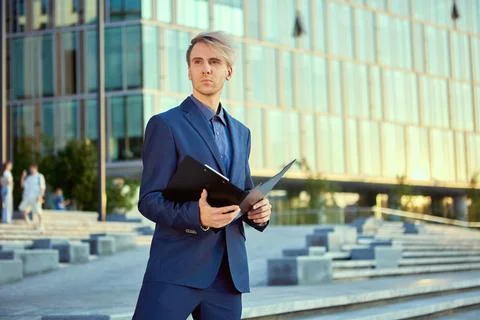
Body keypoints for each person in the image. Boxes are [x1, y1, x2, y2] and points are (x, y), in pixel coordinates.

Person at [133, 31, 272, 319]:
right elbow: (149, 200)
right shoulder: (165, 125)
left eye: (214, 61)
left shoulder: (242, 132)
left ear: (228, 71)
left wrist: (258, 213)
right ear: (189, 70)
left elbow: (241, 194)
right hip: (176, 270)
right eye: (198, 61)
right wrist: (198, 217)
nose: (206, 68)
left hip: (227, 276)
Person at [19, 164, 46, 230]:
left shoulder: (40, 176)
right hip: (28, 198)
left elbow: (43, 187)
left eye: (32, 168)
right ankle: (31, 224)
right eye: (30, 169)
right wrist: (23, 177)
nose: (30, 170)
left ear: (35, 168)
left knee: (38, 211)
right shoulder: (29, 177)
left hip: (36, 197)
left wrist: (40, 196)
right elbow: (23, 185)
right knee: (23, 210)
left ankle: (41, 225)